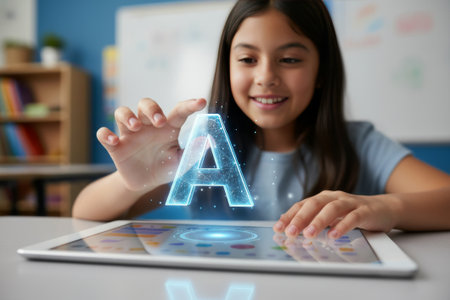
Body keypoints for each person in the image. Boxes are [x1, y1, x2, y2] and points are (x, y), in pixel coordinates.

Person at [73, 0, 450, 240]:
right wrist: (130, 182)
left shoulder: (359, 143)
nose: (266, 76)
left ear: (321, 71)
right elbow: (84, 213)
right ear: (227, 67)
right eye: (248, 59)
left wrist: (387, 208)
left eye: (289, 59)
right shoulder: (205, 147)